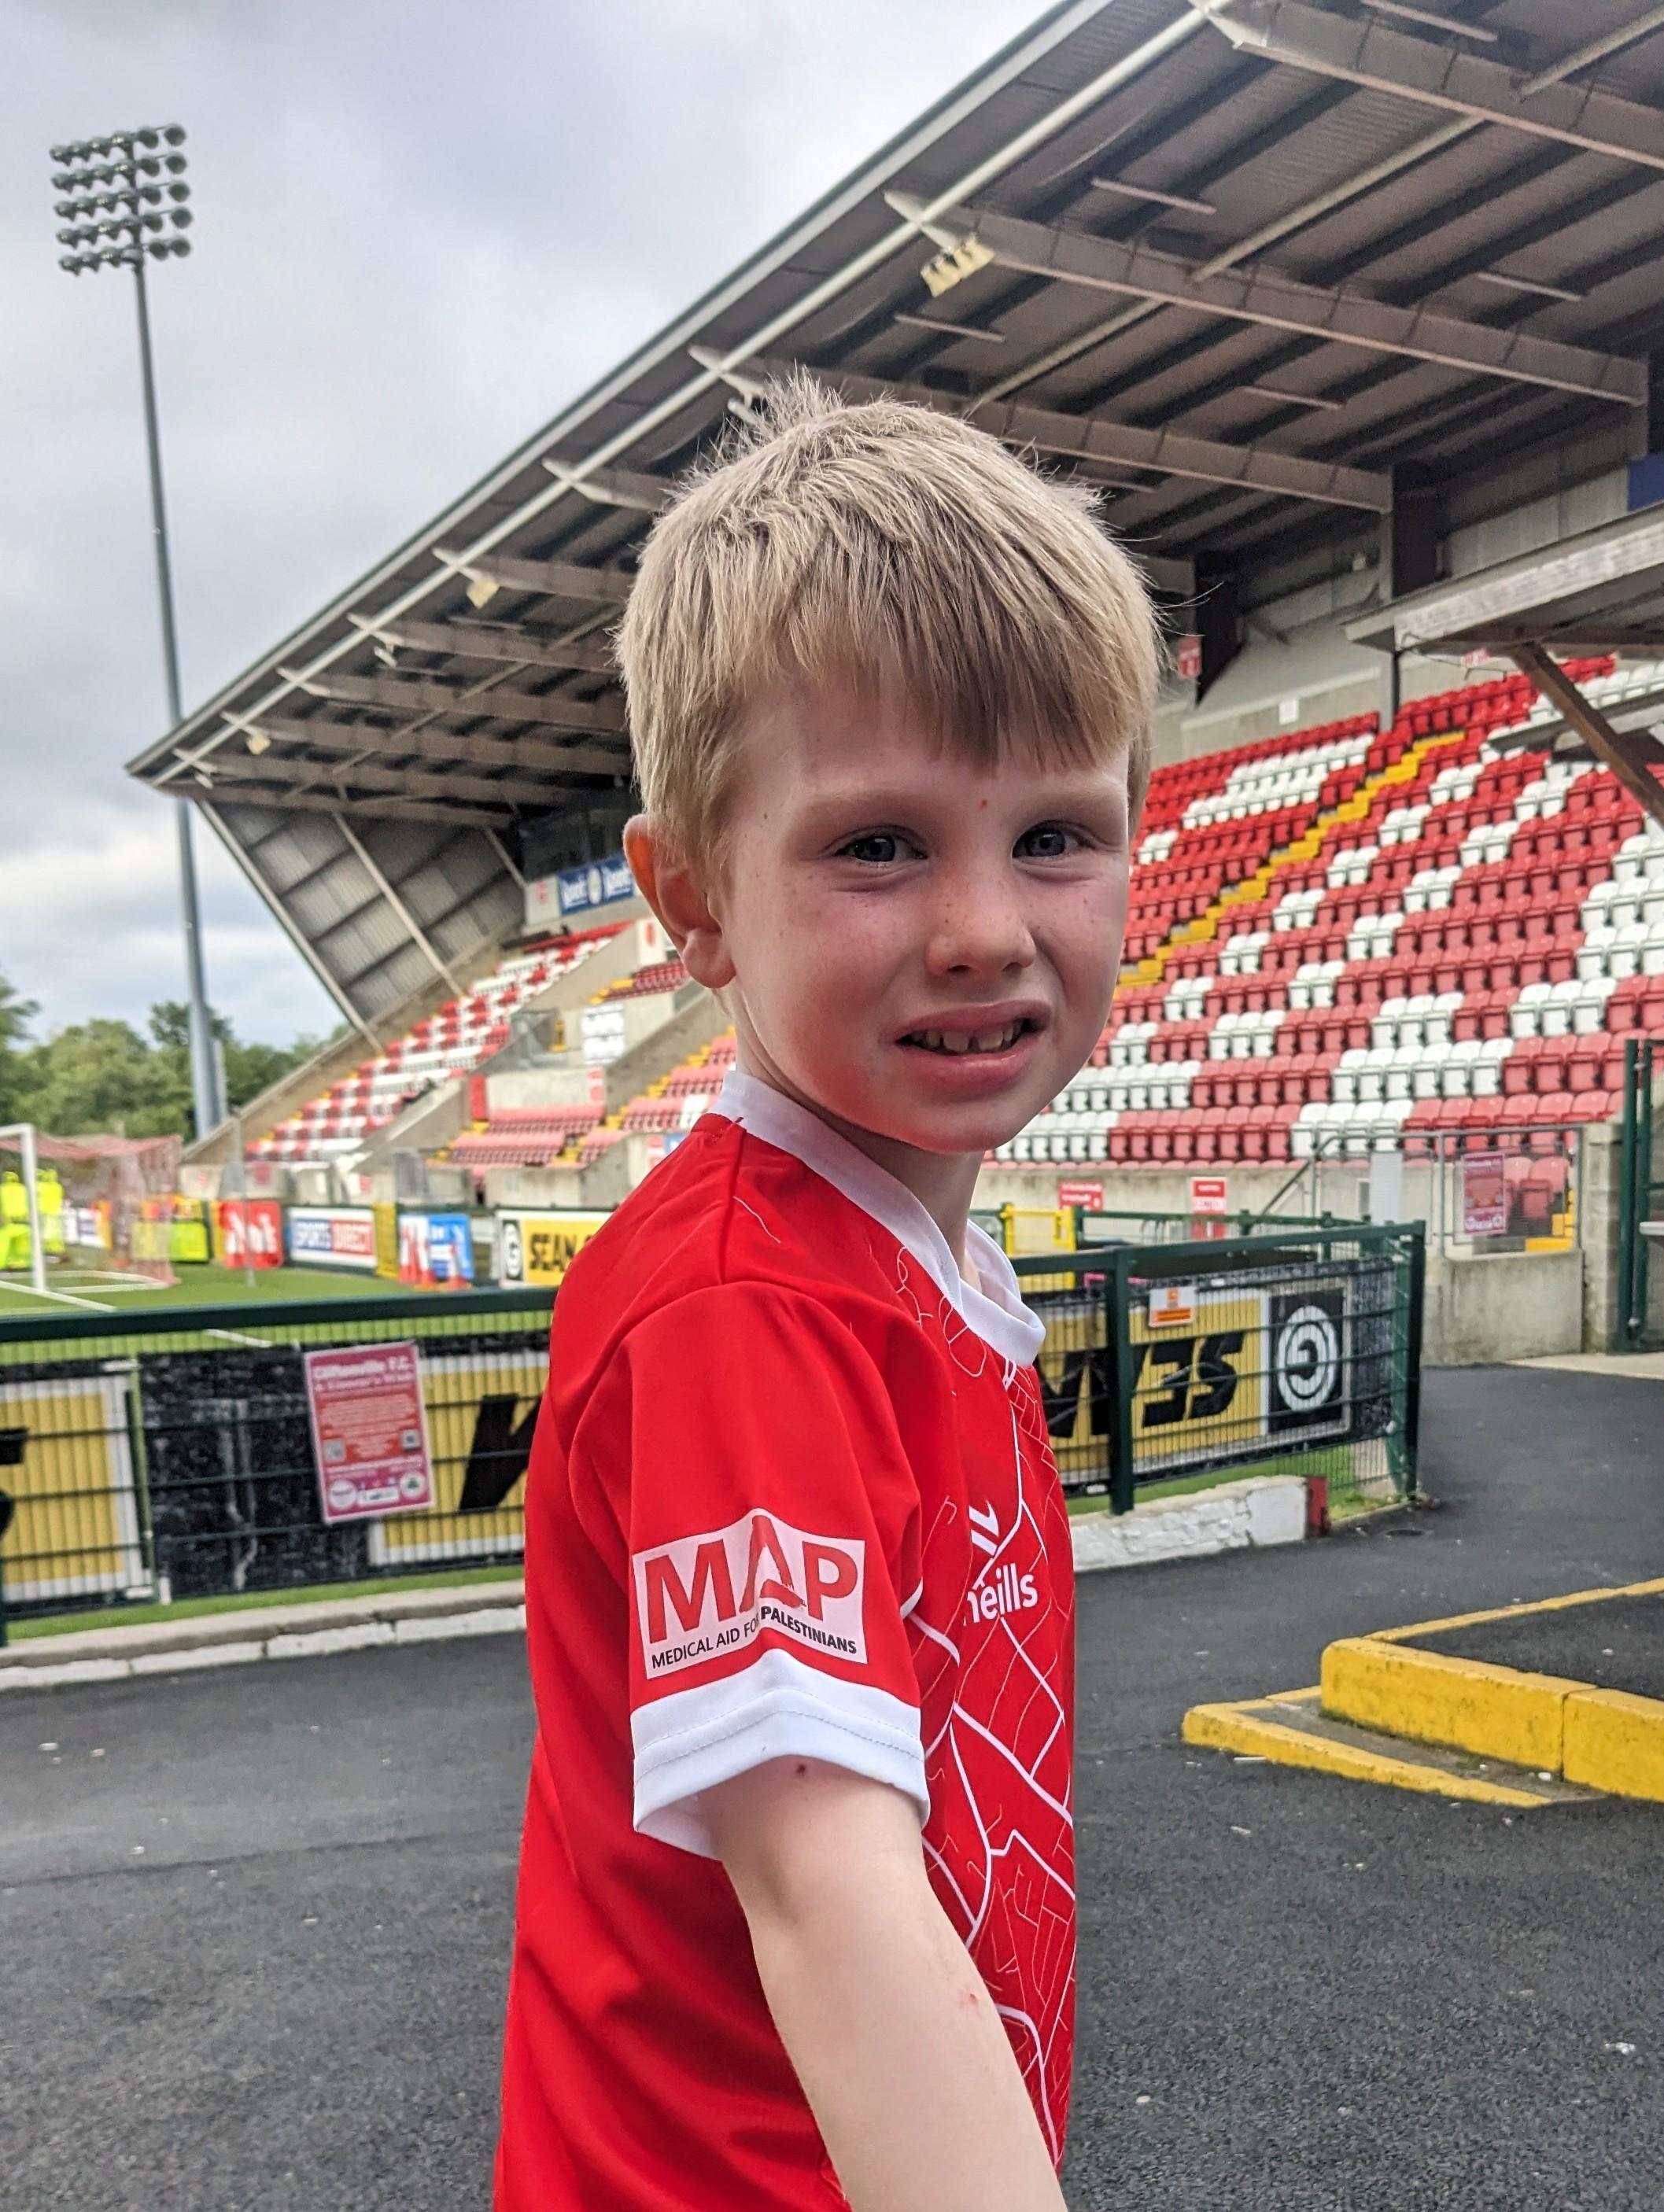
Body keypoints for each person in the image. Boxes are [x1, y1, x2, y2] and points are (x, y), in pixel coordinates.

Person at [494, 376, 1159, 2211]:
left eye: (1053, 833)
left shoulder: (906, 1261)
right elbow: (824, 1879)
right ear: (690, 897)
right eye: (877, 843)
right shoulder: (745, 1306)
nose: (982, 924)